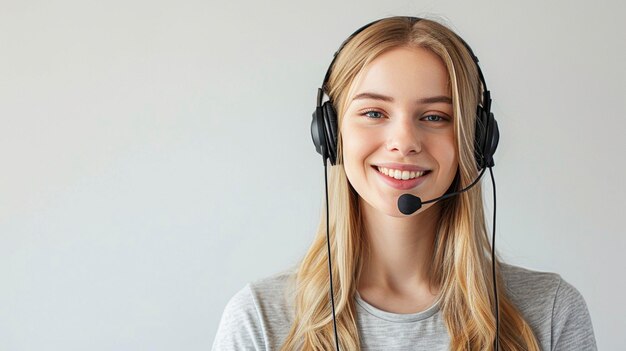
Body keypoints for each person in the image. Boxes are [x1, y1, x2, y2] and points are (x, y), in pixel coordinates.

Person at [212, 16, 596, 351]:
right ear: (330, 134)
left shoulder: (550, 312)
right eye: (374, 112)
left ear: (476, 140)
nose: (404, 141)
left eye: (434, 117)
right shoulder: (259, 320)